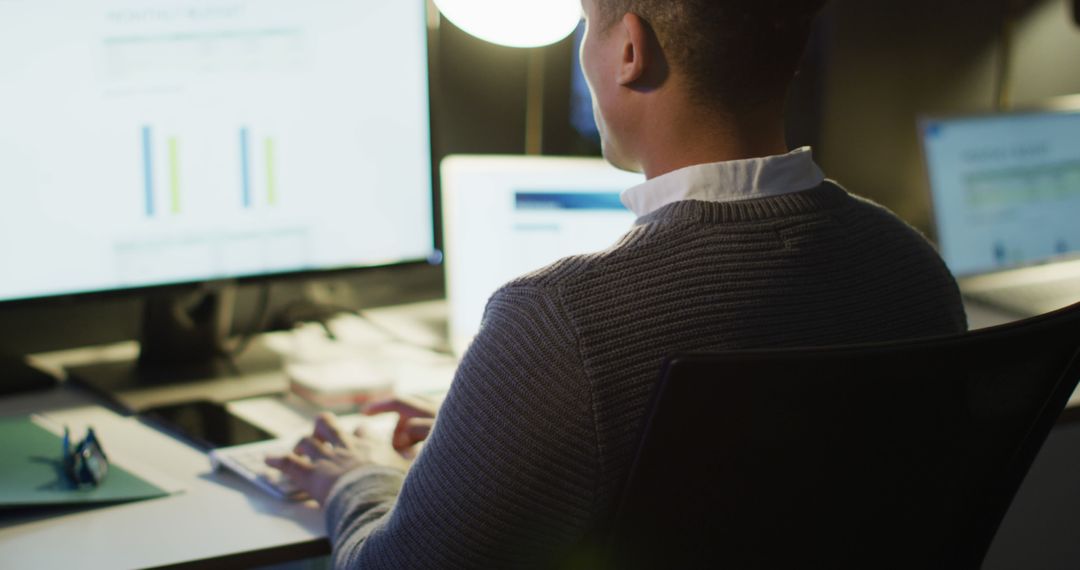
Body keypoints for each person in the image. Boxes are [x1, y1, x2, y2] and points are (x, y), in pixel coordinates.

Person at [267, 0, 968, 566]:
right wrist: (494, 432)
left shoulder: (559, 322)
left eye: (583, 23)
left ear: (630, 50)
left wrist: (355, 479)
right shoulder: (912, 269)